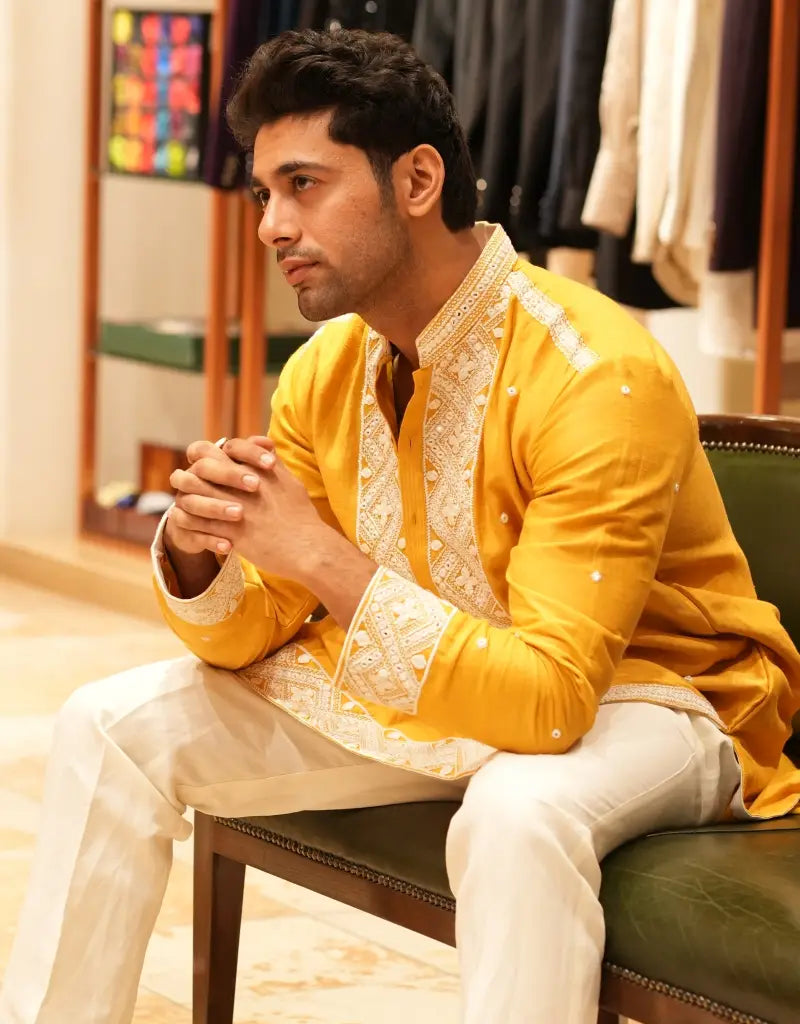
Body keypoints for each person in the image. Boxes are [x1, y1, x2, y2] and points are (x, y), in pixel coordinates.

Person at [2, 28, 800, 1024]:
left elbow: (552, 699)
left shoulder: (594, 369)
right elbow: (260, 628)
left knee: (518, 811)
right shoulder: (329, 366)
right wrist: (205, 553)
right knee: (106, 725)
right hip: (446, 686)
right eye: (264, 194)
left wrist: (326, 562)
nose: (270, 226)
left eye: (303, 184)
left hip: (652, 695)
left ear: (416, 180)